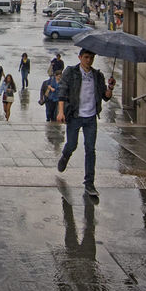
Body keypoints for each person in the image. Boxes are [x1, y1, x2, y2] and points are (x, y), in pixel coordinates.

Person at [56, 48, 116, 197]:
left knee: (90, 149)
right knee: (72, 145)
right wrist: (61, 112)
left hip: (90, 117)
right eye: (86, 57)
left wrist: (110, 87)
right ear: (80, 57)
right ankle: (65, 155)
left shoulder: (97, 75)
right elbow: (62, 92)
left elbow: (106, 96)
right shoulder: (71, 72)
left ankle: (89, 183)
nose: (89, 60)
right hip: (75, 115)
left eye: (91, 58)